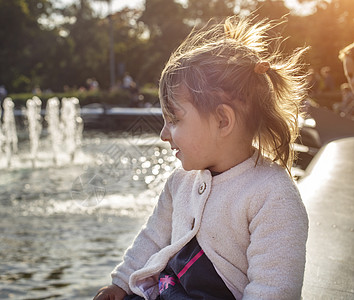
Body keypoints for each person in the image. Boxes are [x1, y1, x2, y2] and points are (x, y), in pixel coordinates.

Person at [94, 16, 309, 300]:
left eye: (174, 120)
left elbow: (273, 288)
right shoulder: (180, 182)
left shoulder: (272, 196)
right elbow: (152, 238)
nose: (163, 134)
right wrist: (120, 284)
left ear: (222, 120)